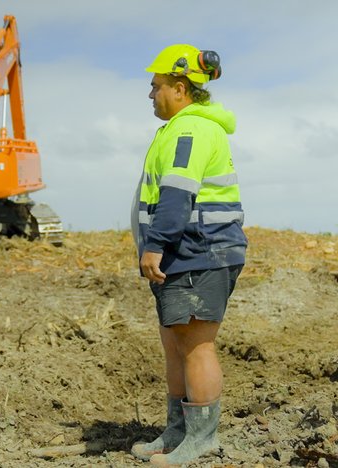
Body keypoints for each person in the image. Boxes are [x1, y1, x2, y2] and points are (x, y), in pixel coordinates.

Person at [129, 44, 247, 466]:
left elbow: (178, 194)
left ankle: (202, 439)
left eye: (155, 85)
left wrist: (156, 244)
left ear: (180, 88)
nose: (150, 94)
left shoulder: (189, 130)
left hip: (201, 251)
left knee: (196, 345)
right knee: (175, 343)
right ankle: (178, 432)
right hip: (189, 253)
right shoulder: (180, 127)